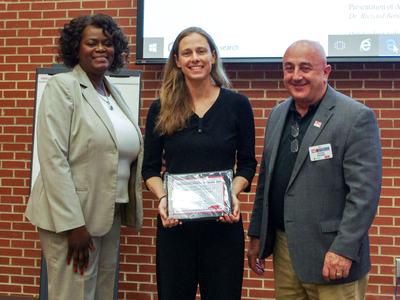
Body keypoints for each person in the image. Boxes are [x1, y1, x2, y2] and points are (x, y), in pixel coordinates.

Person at [247, 40, 382, 300]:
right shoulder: (277, 115)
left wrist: (343, 249)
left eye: (305, 68)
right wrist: (256, 234)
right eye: (289, 68)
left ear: (326, 71)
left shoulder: (355, 117)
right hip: (285, 251)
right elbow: (267, 181)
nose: (296, 76)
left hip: (332, 254)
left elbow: (364, 195)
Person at [25, 14, 143, 300]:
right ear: (76, 48)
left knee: (102, 293)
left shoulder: (111, 92)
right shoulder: (62, 87)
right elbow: (53, 159)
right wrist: (73, 225)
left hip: (109, 213)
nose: (101, 48)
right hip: (74, 219)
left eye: (108, 43)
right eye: (92, 43)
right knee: (74, 294)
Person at [142, 27, 257, 300]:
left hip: (223, 226)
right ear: (177, 61)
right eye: (187, 52)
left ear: (214, 57)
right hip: (175, 227)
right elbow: (149, 168)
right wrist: (164, 198)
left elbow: (248, 164)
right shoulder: (161, 108)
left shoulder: (237, 105)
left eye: (201, 51)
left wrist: (232, 193)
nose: (195, 58)